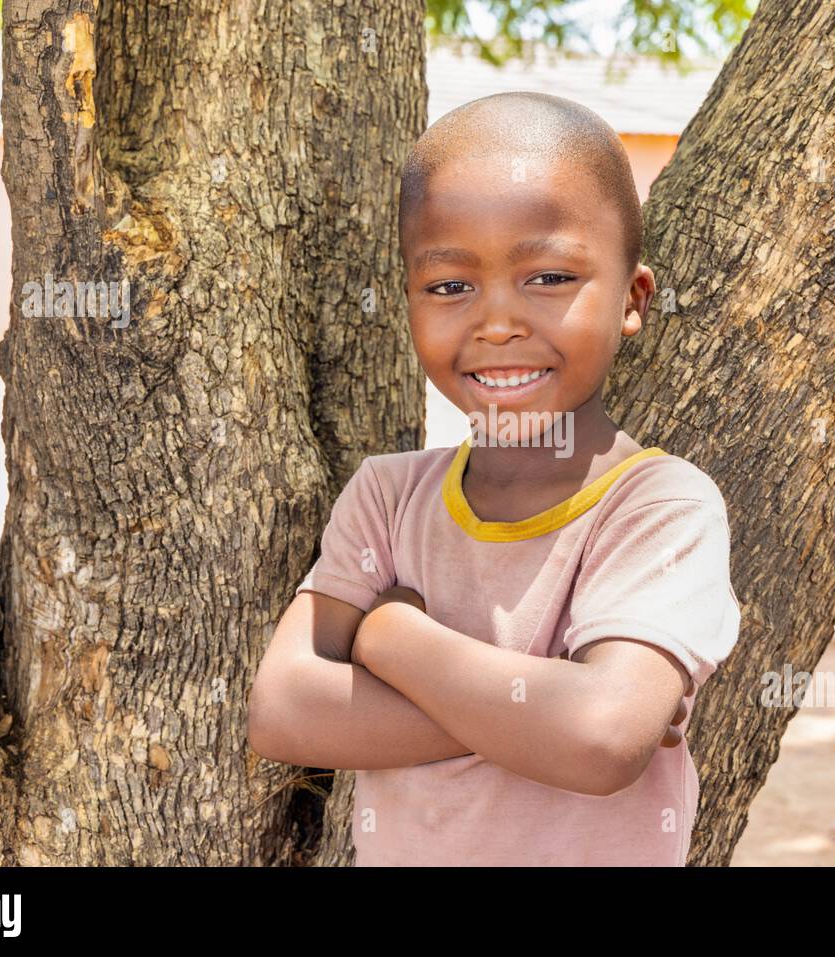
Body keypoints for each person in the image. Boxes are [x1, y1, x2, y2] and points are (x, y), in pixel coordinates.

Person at [248, 91, 741, 866]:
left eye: (548, 276)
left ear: (632, 300)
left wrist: (390, 635)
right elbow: (281, 708)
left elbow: (602, 740)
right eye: (450, 286)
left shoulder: (659, 506)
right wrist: (545, 707)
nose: (498, 322)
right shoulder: (389, 497)